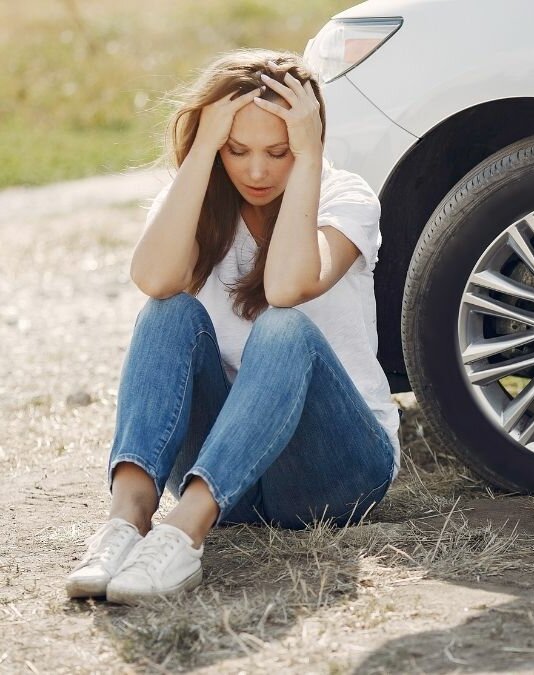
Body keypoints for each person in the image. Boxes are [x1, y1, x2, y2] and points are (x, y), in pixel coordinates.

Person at [64, 49, 401, 605]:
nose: (257, 171)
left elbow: (286, 287)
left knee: (283, 327)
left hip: (335, 468)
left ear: (307, 140)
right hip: (229, 477)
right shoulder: (196, 198)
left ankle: (183, 533)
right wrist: (201, 150)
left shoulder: (346, 198)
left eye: (278, 151)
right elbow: (153, 278)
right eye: (237, 150)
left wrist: (310, 159)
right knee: (167, 310)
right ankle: (125, 523)